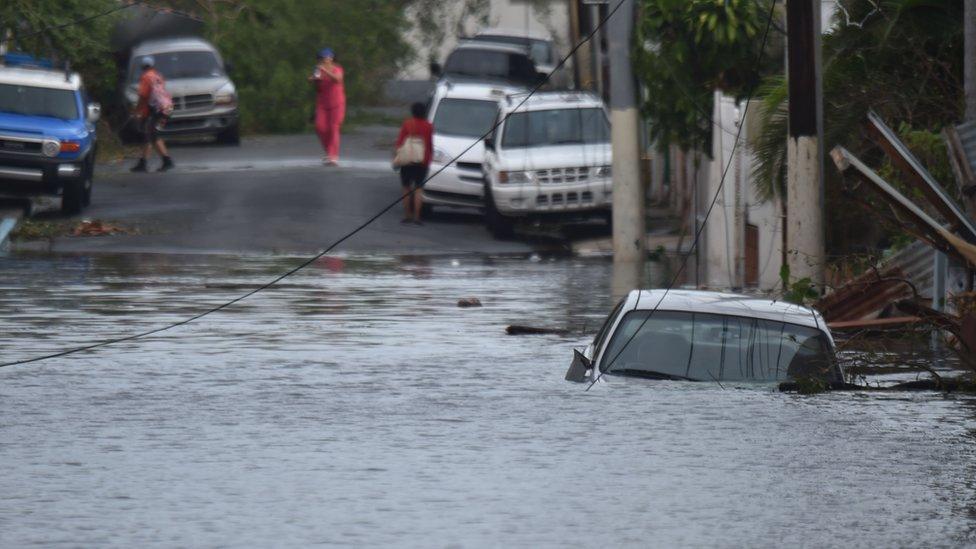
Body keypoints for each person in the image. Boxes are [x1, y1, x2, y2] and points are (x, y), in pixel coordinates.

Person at [131, 56, 174, 173]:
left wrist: (137, 111)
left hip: (157, 110)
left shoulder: (145, 77)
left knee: (150, 135)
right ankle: (147, 162)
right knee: (150, 135)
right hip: (166, 108)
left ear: (143, 67)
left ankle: (164, 161)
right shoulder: (158, 76)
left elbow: (143, 96)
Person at [394, 102, 434, 225]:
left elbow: (400, 143)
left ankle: (407, 215)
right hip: (422, 161)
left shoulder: (407, 124)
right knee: (418, 189)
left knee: (406, 188)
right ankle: (417, 216)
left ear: (412, 112)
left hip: (407, 160)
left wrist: (396, 157)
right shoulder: (429, 126)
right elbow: (430, 145)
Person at [308, 48, 346, 166]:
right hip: (323, 103)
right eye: (322, 58)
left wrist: (325, 71)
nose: (325, 60)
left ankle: (332, 156)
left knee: (334, 127)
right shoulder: (318, 70)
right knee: (320, 127)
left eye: (328, 58)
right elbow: (317, 85)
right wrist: (313, 79)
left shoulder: (337, 69)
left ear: (332, 58)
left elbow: (337, 79)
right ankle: (329, 153)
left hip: (337, 103)